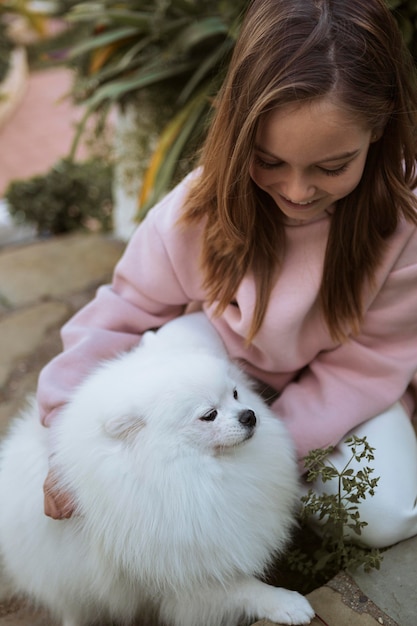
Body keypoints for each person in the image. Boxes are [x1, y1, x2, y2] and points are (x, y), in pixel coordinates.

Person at [39, 0, 417, 548]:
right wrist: (62, 439)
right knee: (167, 349)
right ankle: (185, 495)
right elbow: (121, 314)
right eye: (269, 160)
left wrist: (273, 447)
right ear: (240, 130)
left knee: (389, 513)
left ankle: (221, 500)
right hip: (220, 362)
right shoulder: (199, 203)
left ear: (379, 128)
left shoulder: (403, 215)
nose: (296, 191)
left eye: (331, 167)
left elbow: (370, 363)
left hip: (340, 391)